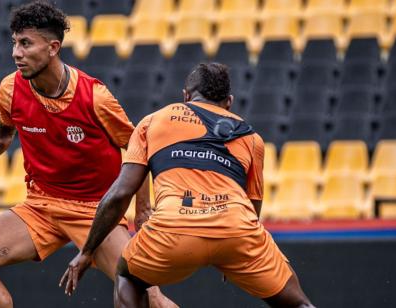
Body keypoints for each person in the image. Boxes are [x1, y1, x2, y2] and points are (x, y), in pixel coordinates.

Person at [0, 1, 175, 307]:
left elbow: (139, 147)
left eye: (26, 43)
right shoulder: (10, 89)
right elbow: (4, 129)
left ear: (53, 47)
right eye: (14, 43)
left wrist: (142, 207)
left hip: (95, 213)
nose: (16, 52)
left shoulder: (95, 97)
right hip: (40, 206)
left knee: (148, 297)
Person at [60, 63, 315, 307]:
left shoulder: (152, 121)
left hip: (173, 228)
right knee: (298, 303)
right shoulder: (251, 137)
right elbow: (253, 206)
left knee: (127, 276)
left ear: (186, 96)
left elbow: (121, 193)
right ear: (229, 102)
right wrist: (236, 257)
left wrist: (87, 251)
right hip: (236, 230)